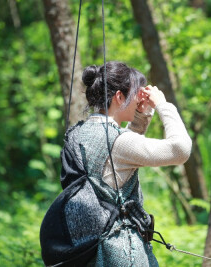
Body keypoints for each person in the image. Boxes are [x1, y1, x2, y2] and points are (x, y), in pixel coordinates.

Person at [68, 61, 192, 266]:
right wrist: (163, 104)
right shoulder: (118, 142)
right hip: (122, 253)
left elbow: (116, 163)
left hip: (88, 248)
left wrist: (141, 115)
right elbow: (180, 150)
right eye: (134, 93)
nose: (138, 99)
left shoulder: (77, 133)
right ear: (119, 97)